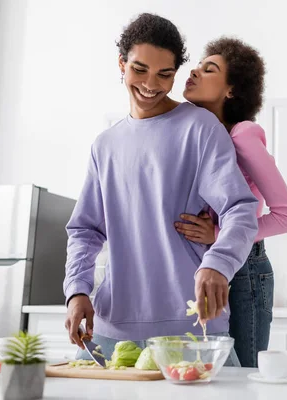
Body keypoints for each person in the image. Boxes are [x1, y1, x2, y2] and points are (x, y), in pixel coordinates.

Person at [62, 13, 258, 363]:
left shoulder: (200, 128)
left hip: (192, 327)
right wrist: (77, 290)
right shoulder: (104, 145)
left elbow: (239, 209)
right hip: (111, 329)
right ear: (121, 64)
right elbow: (85, 229)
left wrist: (218, 262)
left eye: (165, 74)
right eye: (140, 69)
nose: (151, 84)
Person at [173, 37, 287, 367]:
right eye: (198, 65)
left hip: (245, 268)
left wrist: (218, 234)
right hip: (207, 264)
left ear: (231, 90)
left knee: (243, 373)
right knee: (210, 372)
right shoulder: (197, 134)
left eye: (209, 69)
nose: (195, 71)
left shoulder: (242, 135)